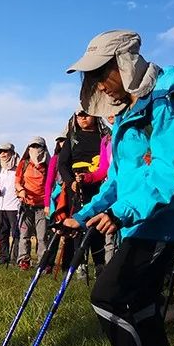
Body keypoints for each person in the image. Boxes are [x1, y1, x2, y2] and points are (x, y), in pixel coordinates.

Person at [63, 29, 174, 346]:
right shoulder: (128, 116)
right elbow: (116, 183)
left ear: (124, 65)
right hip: (138, 222)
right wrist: (82, 216)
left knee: (107, 296)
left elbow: (170, 170)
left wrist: (122, 214)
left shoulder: (166, 104)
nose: (99, 84)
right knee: (142, 312)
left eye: (102, 73)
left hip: (161, 225)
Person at [58, 108, 110, 279]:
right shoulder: (72, 139)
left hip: (100, 186)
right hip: (77, 187)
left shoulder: (104, 137)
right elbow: (63, 164)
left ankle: (100, 263)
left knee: (98, 224)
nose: (82, 118)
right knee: (78, 225)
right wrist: (71, 181)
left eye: (86, 114)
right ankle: (80, 264)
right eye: (79, 116)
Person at [14, 137, 49, 270]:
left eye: (38, 147)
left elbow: (50, 184)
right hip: (26, 204)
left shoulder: (47, 165)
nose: (35, 150)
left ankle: (43, 262)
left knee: (42, 236)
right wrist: (21, 190)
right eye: (32, 147)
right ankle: (24, 260)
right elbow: (17, 182)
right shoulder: (23, 164)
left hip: (42, 206)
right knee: (24, 235)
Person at [0, 143, 20, 264]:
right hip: (0, 205)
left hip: (14, 205)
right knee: (2, 233)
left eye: (5, 151)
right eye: (0, 152)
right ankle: (3, 257)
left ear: (12, 152)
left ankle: (15, 258)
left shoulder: (18, 167)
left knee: (16, 233)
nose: (2, 154)